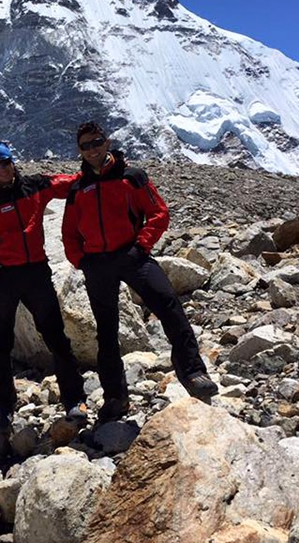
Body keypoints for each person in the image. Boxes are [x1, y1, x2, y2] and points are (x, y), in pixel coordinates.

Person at [62, 121, 218, 422]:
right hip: (97, 264)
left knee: (170, 306)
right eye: (86, 145)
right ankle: (115, 398)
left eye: (97, 142)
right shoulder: (78, 188)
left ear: (106, 142)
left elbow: (158, 213)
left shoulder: (131, 177)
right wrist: (80, 260)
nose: (92, 149)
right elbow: (69, 231)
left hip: (132, 255)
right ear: (80, 150)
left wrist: (142, 245)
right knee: (106, 333)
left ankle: (194, 373)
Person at [0, 139, 88, 457]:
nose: (3, 169)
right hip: (5, 277)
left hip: (36, 273)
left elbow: (66, 185)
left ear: (13, 161)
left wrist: (93, 169)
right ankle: (2, 412)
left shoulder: (34, 186)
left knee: (56, 338)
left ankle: (74, 400)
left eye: (6, 162)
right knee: (2, 347)